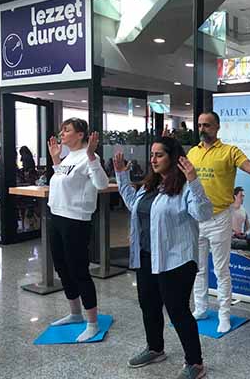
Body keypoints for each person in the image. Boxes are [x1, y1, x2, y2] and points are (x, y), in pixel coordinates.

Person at [114, 136, 212, 379]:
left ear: (173, 157)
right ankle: (155, 348)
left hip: (177, 260)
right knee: (148, 305)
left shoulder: (185, 187)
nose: (153, 160)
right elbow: (133, 205)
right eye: (152, 155)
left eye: (159, 155)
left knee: (178, 311)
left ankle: (195, 363)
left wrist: (194, 180)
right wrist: (122, 176)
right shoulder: (150, 186)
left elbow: (203, 213)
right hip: (147, 256)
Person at [188, 111, 250, 333]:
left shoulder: (230, 151)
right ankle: (201, 308)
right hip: (196, 219)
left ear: (217, 127)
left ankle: (224, 315)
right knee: (198, 269)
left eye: (207, 125)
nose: (202, 129)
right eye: (200, 125)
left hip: (220, 218)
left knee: (221, 270)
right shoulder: (193, 152)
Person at [46, 118, 109, 342]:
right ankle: (75, 313)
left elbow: (102, 185)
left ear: (80, 134)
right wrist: (55, 159)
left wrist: (91, 155)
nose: (61, 134)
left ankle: (92, 322)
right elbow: (62, 180)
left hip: (76, 220)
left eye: (67, 130)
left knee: (79, 270)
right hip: (56, 216)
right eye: (61, 130)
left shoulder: (89, 157)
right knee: (62, 268)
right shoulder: (68, 157)